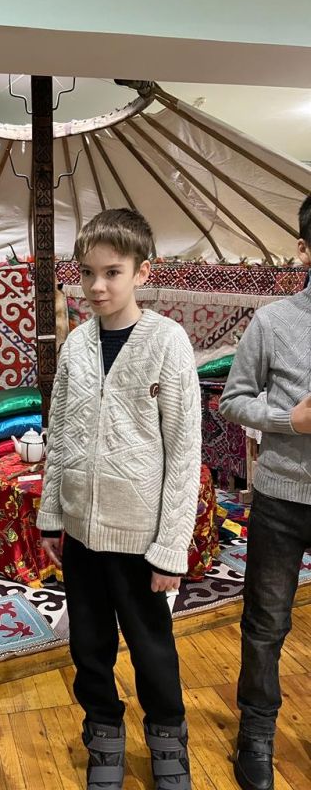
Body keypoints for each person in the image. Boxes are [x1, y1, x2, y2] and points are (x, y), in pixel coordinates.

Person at [37, 208, 201, 790]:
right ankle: (103, 735)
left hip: (141, 539)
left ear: (141, 272)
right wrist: (51, 516)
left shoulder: (167, 342)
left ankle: (168, 738)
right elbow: (59, 433)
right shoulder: (76, 346)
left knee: (152, 647)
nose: (97, 286)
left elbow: (184, 452)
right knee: (89, 647)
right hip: (82, 535)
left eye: (112, 272)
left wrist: (171, 547)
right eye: (87, 273)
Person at [219, 194, 311, 790]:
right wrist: (288, 421)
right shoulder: (273, 322)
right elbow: (232, 400)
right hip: (281, 498)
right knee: (266, 623)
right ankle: (255, 733)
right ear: (305, 249)